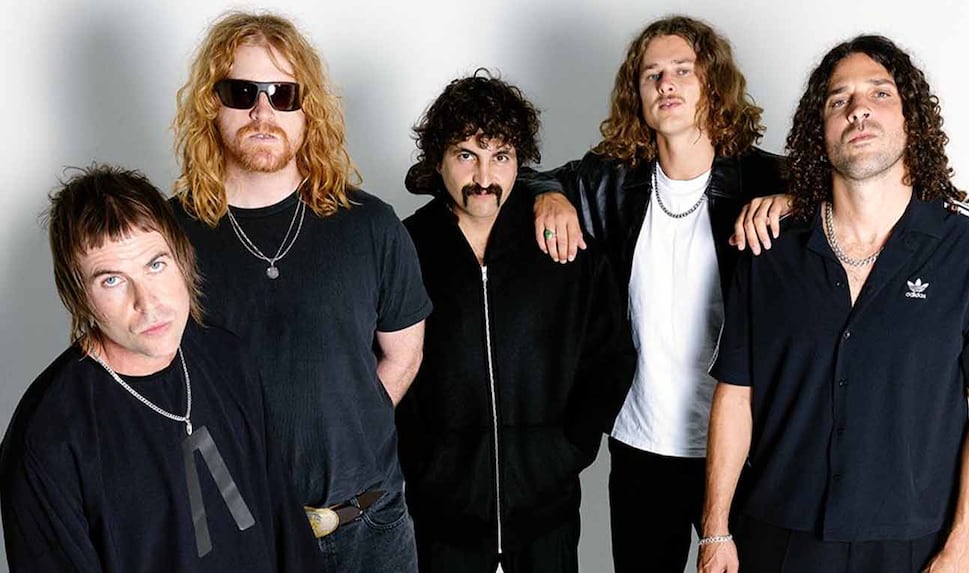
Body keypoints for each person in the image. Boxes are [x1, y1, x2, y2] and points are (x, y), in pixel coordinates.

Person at [701, 35, 969, 573]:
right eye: (838, 100)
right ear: (819, 131)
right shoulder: (768, 247)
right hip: (777, 537)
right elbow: (735, 394)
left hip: (914, 545)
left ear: (912, 120)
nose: (858, 109)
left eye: (880, 93)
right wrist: (715, 530)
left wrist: (961, 549)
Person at [170, 12, 431, 573]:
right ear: (212, 104)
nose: (263, 112)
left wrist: (349, 425)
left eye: (283, 94)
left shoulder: (370, 225)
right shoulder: (169, 236)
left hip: (370, 527)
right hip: (240, 535)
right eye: (242, 92)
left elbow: (404, 353)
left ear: (307, 108)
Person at [526, 15, 788, 572]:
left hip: (742, 447)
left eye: (682, 70)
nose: (666, 84)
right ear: (637, 95)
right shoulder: (611, 181)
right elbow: (521, 177)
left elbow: (858, 190)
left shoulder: (764, 180)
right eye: (652, 75)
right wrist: (548, 195)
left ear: (713, 84)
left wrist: (794, 202)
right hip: (640, 444)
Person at [0, 165, 322, 572]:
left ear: (182, 258)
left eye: (155, 265)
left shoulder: (229, 358)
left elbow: (287, 527)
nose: (148, 303)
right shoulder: (46, 437)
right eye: (112, 280)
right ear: (78, 295)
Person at [398, 71, 636, 573]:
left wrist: (566, 450)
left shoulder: (564, 247)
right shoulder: (402, 251)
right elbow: (376, 363)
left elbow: (611, 357)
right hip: (442, 518)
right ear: (438, 160)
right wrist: (425, 461)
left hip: (546, 516)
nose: (484, 176)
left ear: (518, 162)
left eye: (500, 156)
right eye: (467, 155)